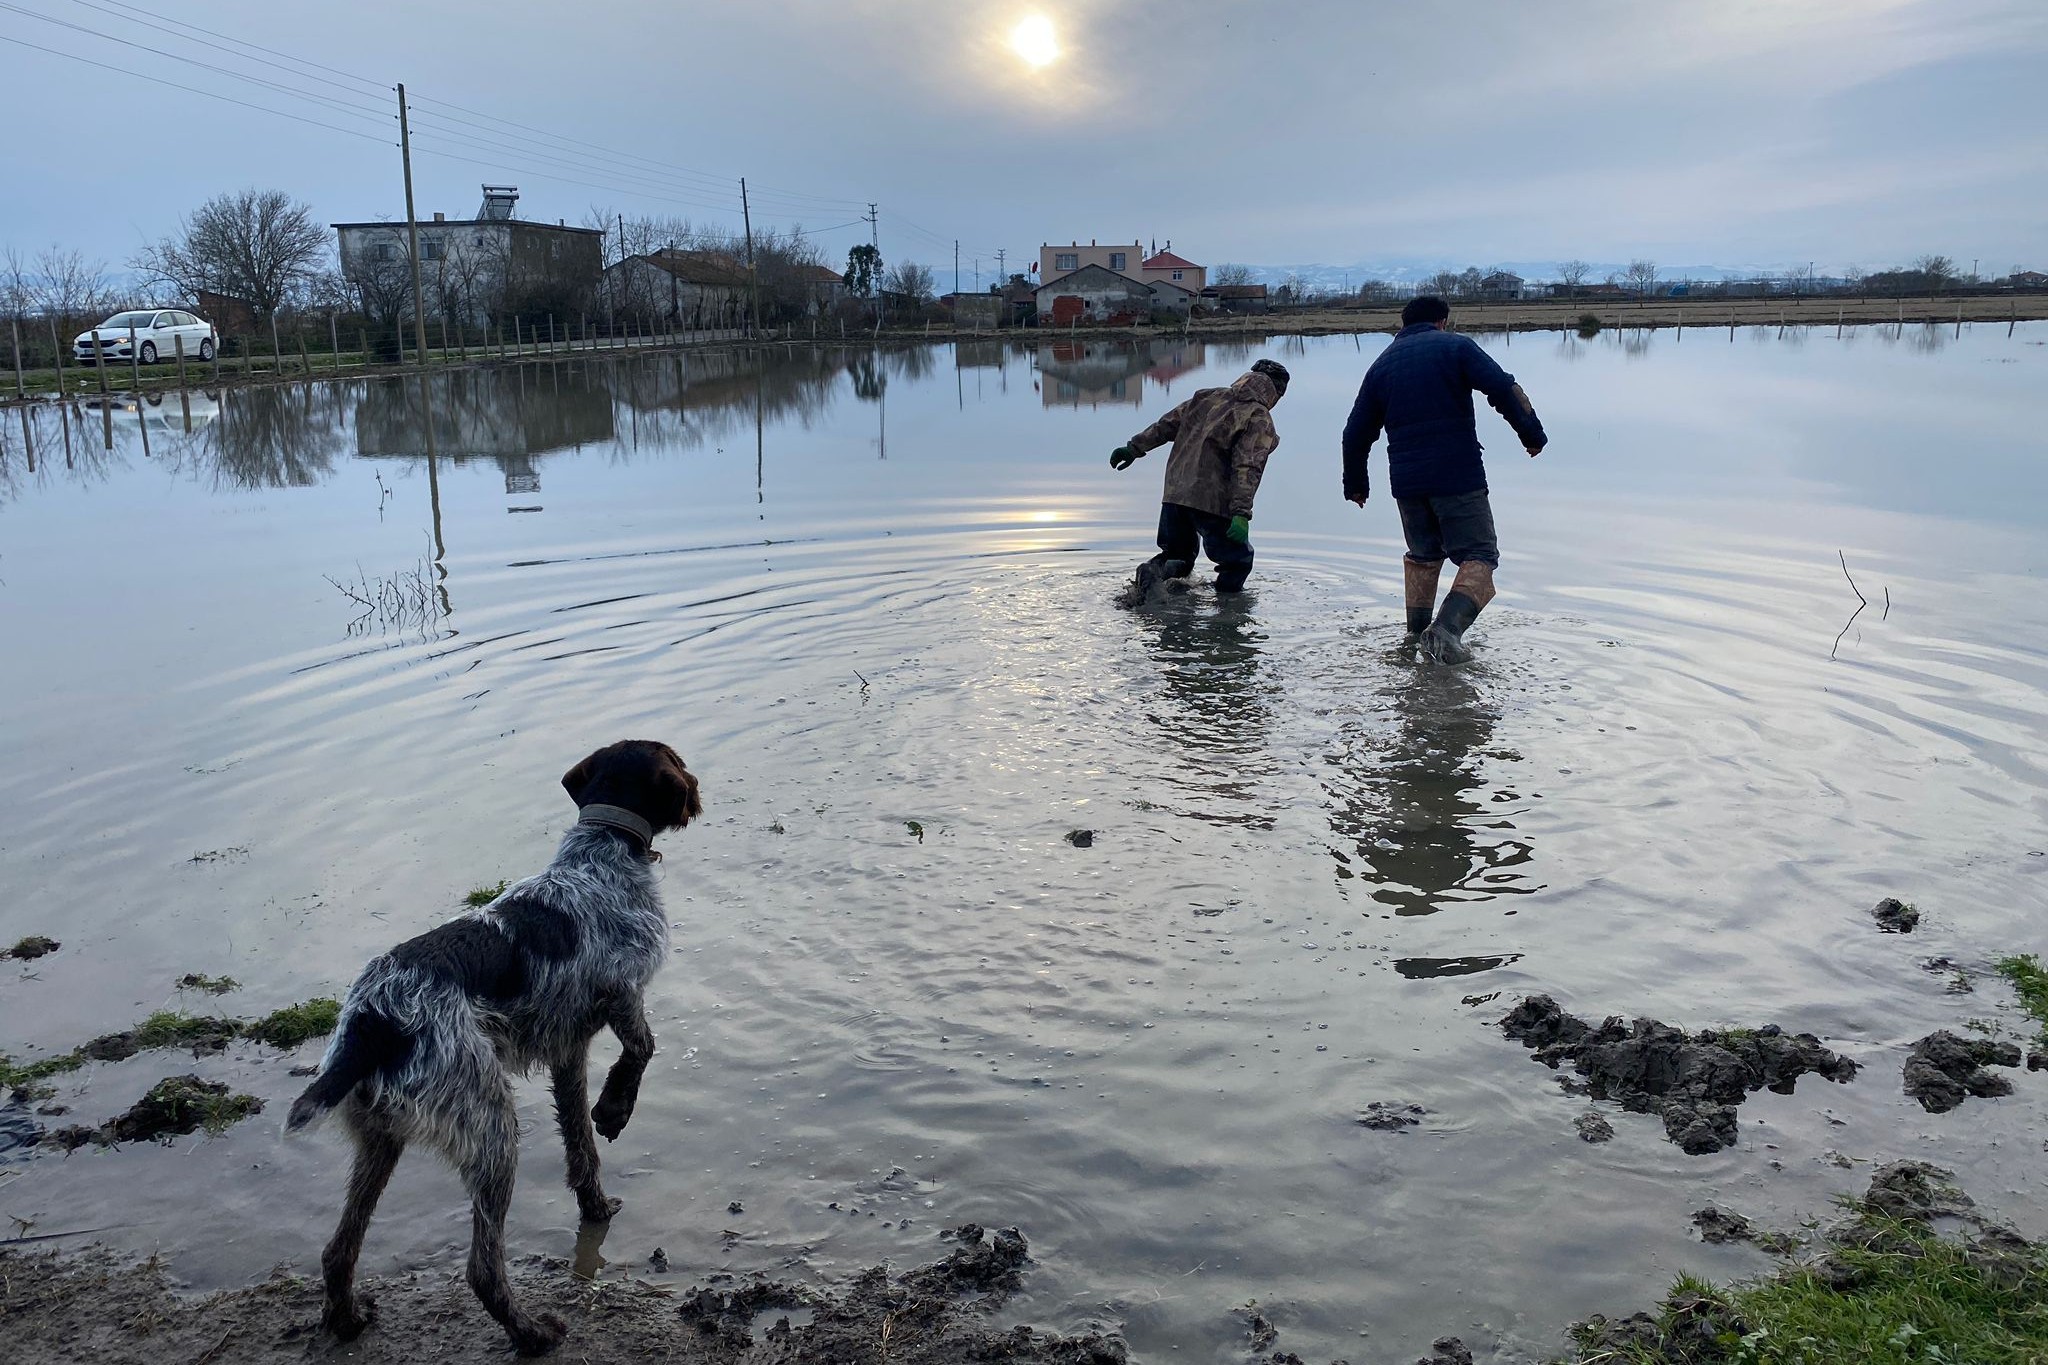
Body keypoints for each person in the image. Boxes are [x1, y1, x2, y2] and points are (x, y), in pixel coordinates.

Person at [1341, 296, 1546, 663]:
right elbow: (1503, 388)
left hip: (1407, 484)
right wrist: (1532, 435)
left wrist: (1356, 484)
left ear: (1402, 325)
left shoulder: (1381, 366)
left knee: (1423, 557)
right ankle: (1446, 631)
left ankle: (1415, 637)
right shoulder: (1455, 347)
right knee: (1480, 554)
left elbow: (1356, 432)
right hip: (1457, 475)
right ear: (1442, 321)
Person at [1110, 358, 1289, 601]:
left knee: (1179, 557)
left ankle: (1152, 573)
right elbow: (1247, 466)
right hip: (1212, 500)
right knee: (1237, 561)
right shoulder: (1258, 417)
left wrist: (1133, 448)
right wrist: (1241, 513)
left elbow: (1166, 425)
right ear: (1276, 393)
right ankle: (1227, 617)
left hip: (1175, 494)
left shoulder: (1206, 397)